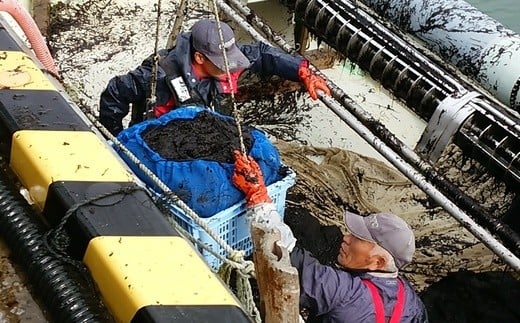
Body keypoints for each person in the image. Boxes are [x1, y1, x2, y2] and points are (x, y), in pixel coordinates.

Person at [232, 151, 429, 323]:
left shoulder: (346, 293)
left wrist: (257, 196)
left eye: (358, 238)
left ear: (378, 262)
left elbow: (288, 261)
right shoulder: (413, 304)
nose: (346, 237)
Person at [99, 18, 331, 136]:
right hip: (160, 140)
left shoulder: (226, 58)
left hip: (209, 134)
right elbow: (115, 93)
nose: (230, 69)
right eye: (223, 64)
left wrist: (303, 71)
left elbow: (263, 54)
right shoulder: (158, 74)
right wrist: (116, 138)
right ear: (199, 58)